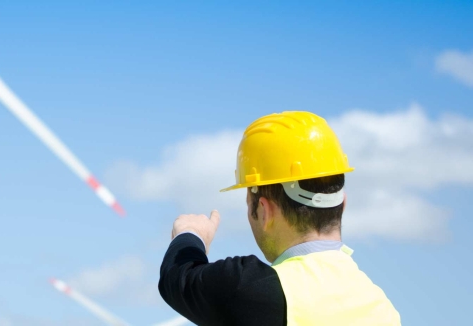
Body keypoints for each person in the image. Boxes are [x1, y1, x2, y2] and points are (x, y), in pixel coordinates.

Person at [157, 111, 400, 325]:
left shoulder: (251, 289)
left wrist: (190, 234)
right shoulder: (383, 308)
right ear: (342, 203)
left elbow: (177, 279)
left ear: (264, 211)